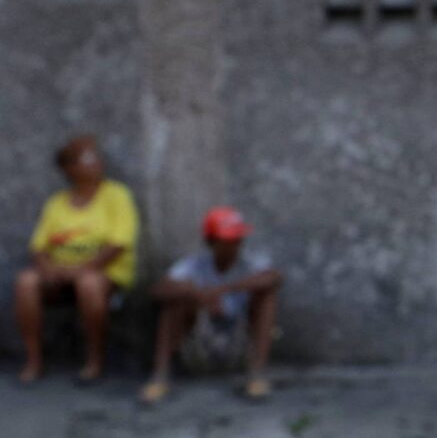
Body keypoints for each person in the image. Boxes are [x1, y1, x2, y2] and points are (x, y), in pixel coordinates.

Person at [15, 135, 140, 385]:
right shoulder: (56, 203)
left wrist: (80, 270)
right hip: (60, 273)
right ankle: (34, 360)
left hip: (103, 274)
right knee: (26, 281)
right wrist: (48, 269)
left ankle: (94, 360)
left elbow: (118, 244)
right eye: (87, 158)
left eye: (96, 157)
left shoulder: (116, 195)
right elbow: (39, 247)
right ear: (69, 169)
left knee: (89, 284)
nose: (96, 163)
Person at [139, 207, 282, 405]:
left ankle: (256, 375)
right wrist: (197, 295)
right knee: (175, 299)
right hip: (198, 347)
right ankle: (160, 377)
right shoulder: (194, 265)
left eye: (237, 239)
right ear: (211, 242)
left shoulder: (250, 263)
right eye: (228, 240)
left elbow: (274, 278)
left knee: (266, 297)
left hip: (238, 346)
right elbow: (157, 291)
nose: (234, 244)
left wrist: (224, 289)